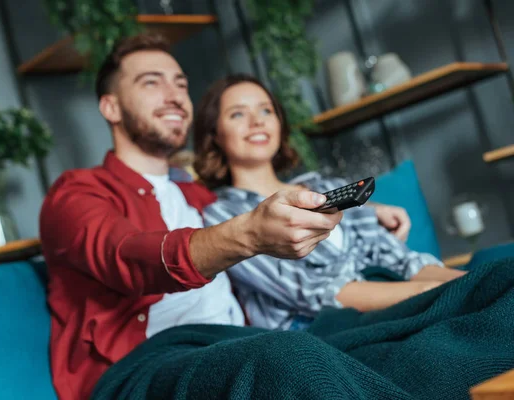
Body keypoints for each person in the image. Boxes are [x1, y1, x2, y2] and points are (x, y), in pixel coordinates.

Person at [39, 33, 346, 400]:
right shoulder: (76, 192)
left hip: (239, 344)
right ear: (111, 108)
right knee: (292, 356)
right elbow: (126, 255)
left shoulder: (200, 196)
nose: (175, 96)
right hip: (143, 367)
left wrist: (368, 209)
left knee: (402, 330)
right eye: (152, 82)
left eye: (180, 84)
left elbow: (261, 192)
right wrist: (247, 234)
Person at [193, 73, 466, 331]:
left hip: (395, 296)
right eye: (238, 113)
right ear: (214, 134)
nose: (257, 121)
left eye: (266, 110)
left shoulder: (326, 187)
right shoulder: (223, 217)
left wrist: (468, 284)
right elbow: (313, 292)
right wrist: (435, 294)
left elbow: (398, 259)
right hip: (319, 332)